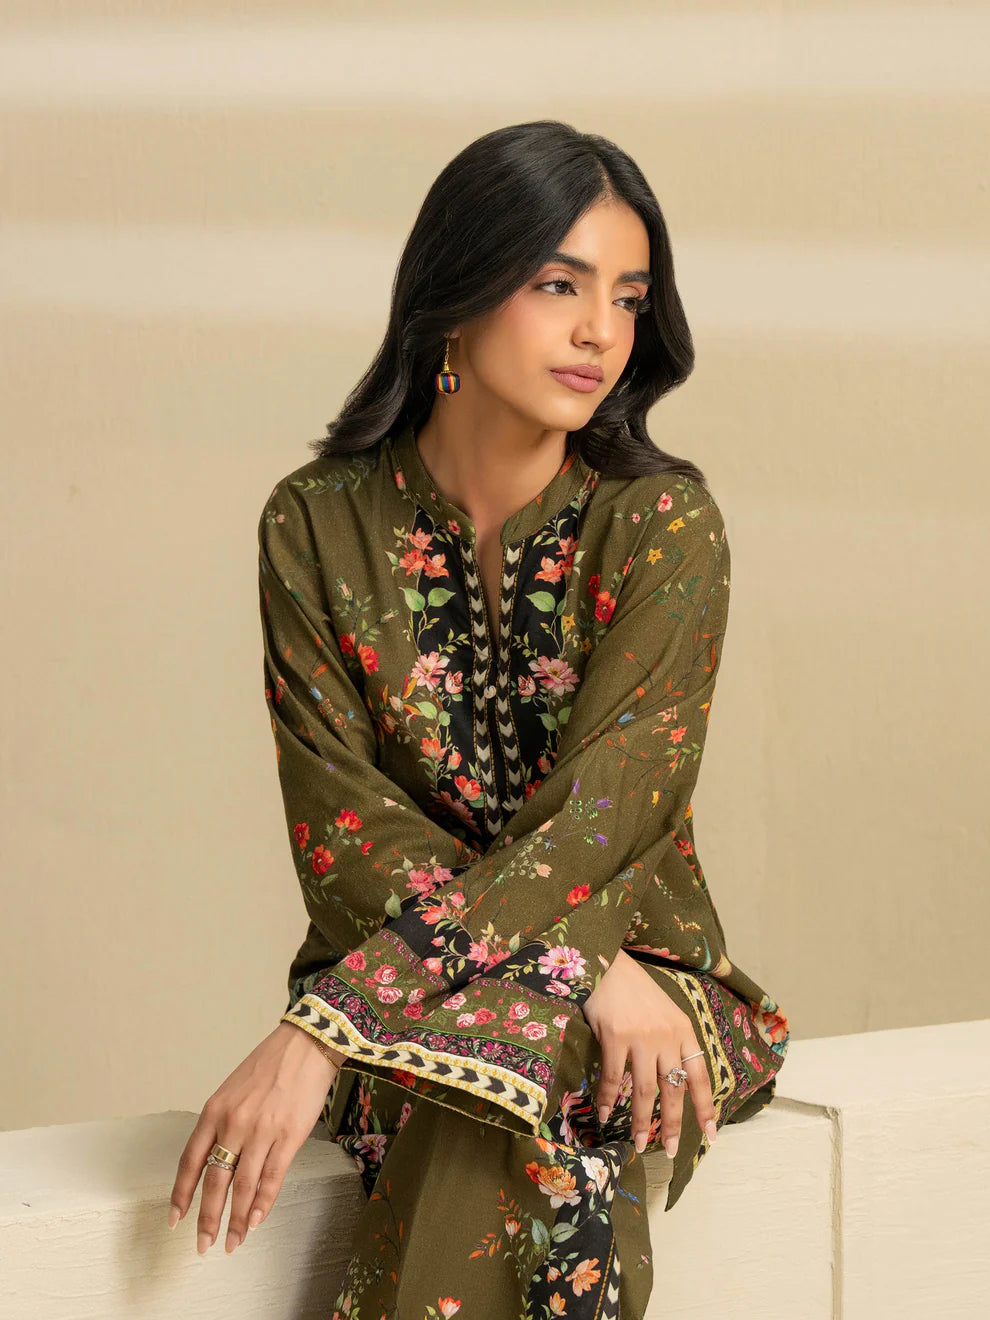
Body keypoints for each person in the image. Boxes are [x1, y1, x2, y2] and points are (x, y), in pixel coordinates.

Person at [169, 120, 790, 1318]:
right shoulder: (315, 525)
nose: (600, 331)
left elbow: (604, 820)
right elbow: (343, 830)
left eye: (628, 295)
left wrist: (325, 1028)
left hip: (648, 996)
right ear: (452, 297)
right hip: (437, 992)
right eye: (558, 283)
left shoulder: (661, 527)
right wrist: (576, 970)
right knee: (520, 1050)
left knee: (526, 1052)